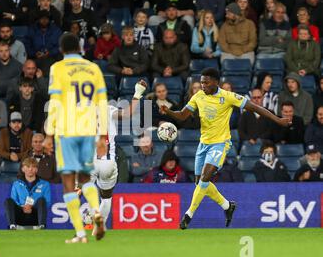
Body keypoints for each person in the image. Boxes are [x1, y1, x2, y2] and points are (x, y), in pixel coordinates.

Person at [160, 67, 291, 229]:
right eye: (201, 82)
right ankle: (227, 206)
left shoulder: (228, 97)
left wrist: (278, 120)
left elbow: (256, 108)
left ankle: (188, 215)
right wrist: (168, 112)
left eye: (206, 83)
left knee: (205, 178)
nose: (202, 86)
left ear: (216, 82)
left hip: (220, 143)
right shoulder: (198, 96)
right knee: (199, 183)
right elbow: (182, 115)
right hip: (204, 144)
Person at [43, 33, 108, 243]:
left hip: (67, 130)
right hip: (88, 129)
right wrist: (102, 135)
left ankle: (80, 233)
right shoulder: (93, 68)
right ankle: (96, 211)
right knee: (86, 177)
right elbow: (102, 103)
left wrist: (48, 133)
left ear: (61, 49)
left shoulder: (58, 68)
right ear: (80, 48)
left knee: (68, 182)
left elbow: (54, 102)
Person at [90, 80, 147, 236]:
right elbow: (129, 114)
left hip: (88, 161)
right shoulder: (108, 109)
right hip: (107, 161)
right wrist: (137, 92)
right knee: (106, 198)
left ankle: (91, 217)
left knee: (86, 190)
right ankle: (98, 224)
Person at [4, 157, 51, 229]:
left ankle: (42, 226)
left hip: (36, 216)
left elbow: (47, 202)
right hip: (20, 215)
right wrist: (23, 207)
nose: (30, 169)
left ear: (36, 170)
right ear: (23, 169)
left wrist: (31, 206)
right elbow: (14, 200)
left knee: (42, 200)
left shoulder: (45, 184)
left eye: (33, 167)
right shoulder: (16, 184)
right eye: (28, 166)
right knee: (8, 201)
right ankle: (12, 226)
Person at [25, 10, 63, 76]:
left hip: (52, 58)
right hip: (35, 58)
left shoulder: (56, 30)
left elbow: (60, 46)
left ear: (49, 19)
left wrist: (50, 53)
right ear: (38, 19)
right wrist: (34, 53)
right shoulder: (32, 29)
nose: (44, 20)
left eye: (46, 18)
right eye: (42, 18)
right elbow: (27, 45)